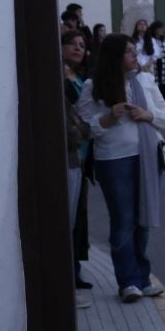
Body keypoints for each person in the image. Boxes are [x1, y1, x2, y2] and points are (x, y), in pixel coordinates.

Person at [79, 34, 165, 302]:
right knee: (123, 220)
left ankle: (143, 279)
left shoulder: (145, 81)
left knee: (143, 220)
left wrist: (148, 115)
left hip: (147, 156)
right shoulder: (93, 86)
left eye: (135, 51)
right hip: (113, 160)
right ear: (114, 56)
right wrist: (109, 117)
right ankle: (128, 281)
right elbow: (85, 128)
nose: (135, 56)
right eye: (129, 51)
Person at [62, 30, 94, 309]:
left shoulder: (78, 76)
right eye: (72, 44)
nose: (78, 48)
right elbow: (76, 122)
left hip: (82, 155)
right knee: (67, 219)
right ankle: (66, 278)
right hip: (71, 152)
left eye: (82, 45)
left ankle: (75, 270)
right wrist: (85, 129)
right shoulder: (59, 78)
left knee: (77, 218)